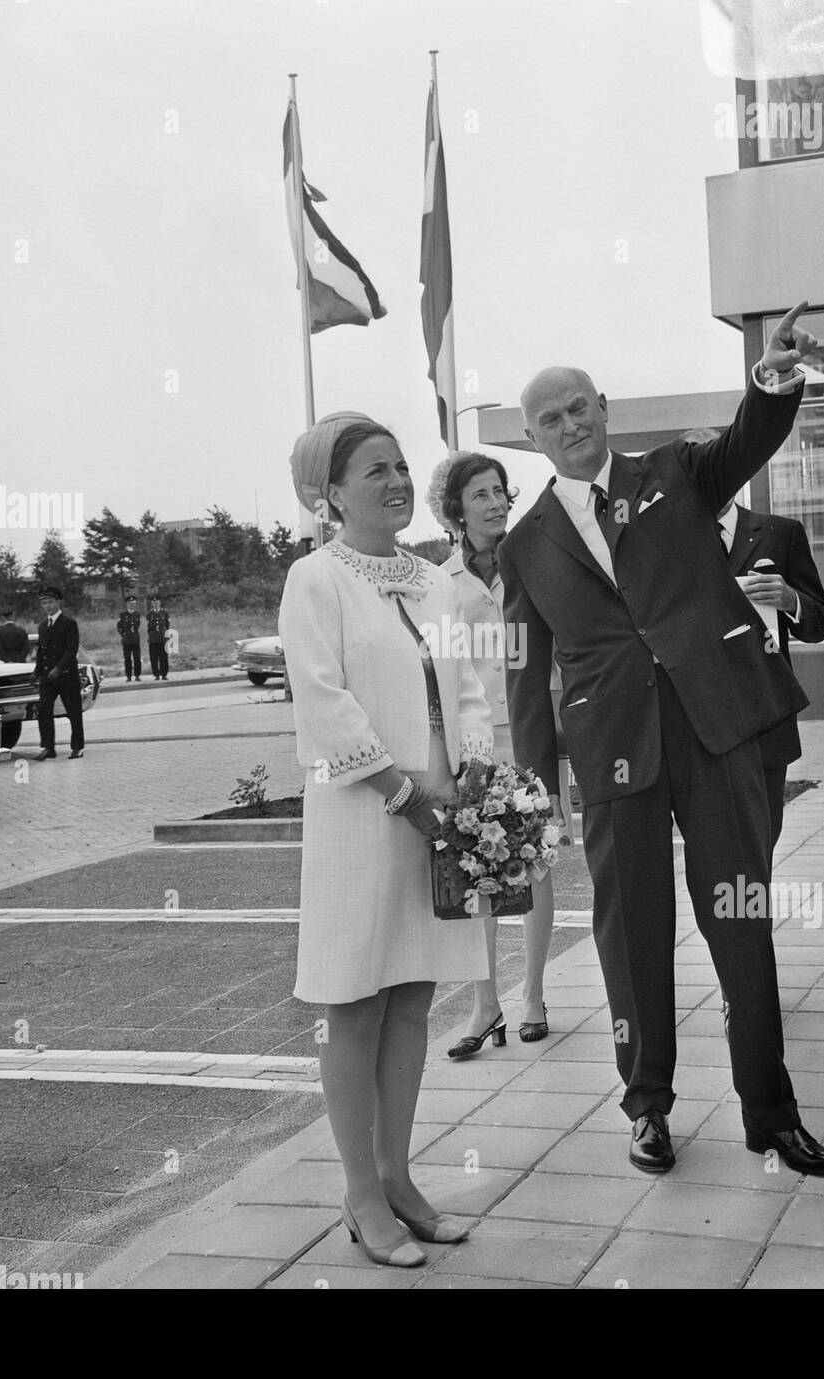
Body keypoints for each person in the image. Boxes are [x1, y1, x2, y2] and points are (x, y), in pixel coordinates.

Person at [501, 303, 824, 1178]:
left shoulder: (677, 474)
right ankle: (647, 1106)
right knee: (631, 934)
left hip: (713, 731)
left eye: (580, 407)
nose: (571, 426)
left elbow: (748, 439)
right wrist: (536, 794)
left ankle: (771, 1113)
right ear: (532, 437)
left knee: (740, 922)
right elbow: (524, 678)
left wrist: (773, 378)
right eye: (550, 418)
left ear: (604, 407)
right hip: (613, 753)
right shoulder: (525, 544)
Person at [280, 410, 494, 1268]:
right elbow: (324, 704)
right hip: (361, 815)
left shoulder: (434, 580)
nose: (397, 481)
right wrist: (401, 790)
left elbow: (466, 686)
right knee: (355, 1003)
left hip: (440, 815)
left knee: (411, 997)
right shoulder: (316, 579)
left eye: (401, 465)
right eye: (375, 471)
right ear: (330, 493)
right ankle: (361, 1197)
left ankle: (399, 1177)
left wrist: (474, 767)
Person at [428, 452, 561, 1057]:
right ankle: (485, 1005)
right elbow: (439, 674)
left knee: (536, 864)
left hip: (533, 735)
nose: (494, 503)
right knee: (475, 871)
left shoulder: (536, 563)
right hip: (473, 747)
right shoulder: (440, 584)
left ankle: (532, 994)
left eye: (500, 492)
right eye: (479, 494)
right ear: (456, 508)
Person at [716, 499, 824, 853]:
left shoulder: (780, 532)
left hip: (765, 720)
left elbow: (820, 624)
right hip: (699, 724)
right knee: (714, 850)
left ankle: (752, 907)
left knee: (760, 842)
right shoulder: (669, 535)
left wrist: (791, 599)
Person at [33, 586, 85, 760]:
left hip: (67, 675)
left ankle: (77, 747)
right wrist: (37, 672)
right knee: (43, 709)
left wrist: (59, 668)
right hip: (48, 677)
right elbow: (41, 651)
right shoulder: (42, 626)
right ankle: (48, 747)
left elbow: (72, 650)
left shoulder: (69, 623)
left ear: (58, 602)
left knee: (73, 712)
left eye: (50, 602)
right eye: (44, 603)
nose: (47, 606)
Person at [116, 595, 142, 682]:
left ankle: (137, 675)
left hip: (135, 639)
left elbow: (137, 625)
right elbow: (119, 627)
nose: (132, 605)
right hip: (126, 640)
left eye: (133, 603)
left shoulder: (137, 614)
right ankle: (129, 676)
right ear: (127, 604)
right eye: (130, 604)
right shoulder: (123, 615)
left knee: (137, 658)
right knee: (127, 659)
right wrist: (123, 634)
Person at [146, 595, 170, 680]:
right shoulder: (149, 614)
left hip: (162, 638)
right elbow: (148, 627)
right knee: (154, 658)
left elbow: (167, 625)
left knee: (164, 657)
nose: (155, 604)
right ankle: (156, 674)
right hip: (153, 639)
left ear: (159, 603)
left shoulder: (164, 613)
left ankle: (164, 674)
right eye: (153, 603)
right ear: (152, 604)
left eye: (157, 602)